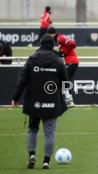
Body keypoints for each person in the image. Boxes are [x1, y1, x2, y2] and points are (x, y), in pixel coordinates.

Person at [11, 34, 68, 169]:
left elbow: (22, 81)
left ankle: (32, 155)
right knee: (49, 132)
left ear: (41, 44)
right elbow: (66, 82)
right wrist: (65, 96)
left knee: (32, 129)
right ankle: (46, 161)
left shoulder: (32, 59)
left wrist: (15, 98)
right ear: (52, 45)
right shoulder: (58, 61)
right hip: (52, 102)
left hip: (34, 102)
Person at [47, 27, 79, 108]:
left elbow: (73, 45)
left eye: (48, 34)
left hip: (72, 62)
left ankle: (69, 101)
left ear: (51, 34)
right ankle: (69, 101)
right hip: (71, 62)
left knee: (63, 81)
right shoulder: (59, 40)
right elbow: (61, 54)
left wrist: (66, 52)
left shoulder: (59, 39)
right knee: (65, 81)